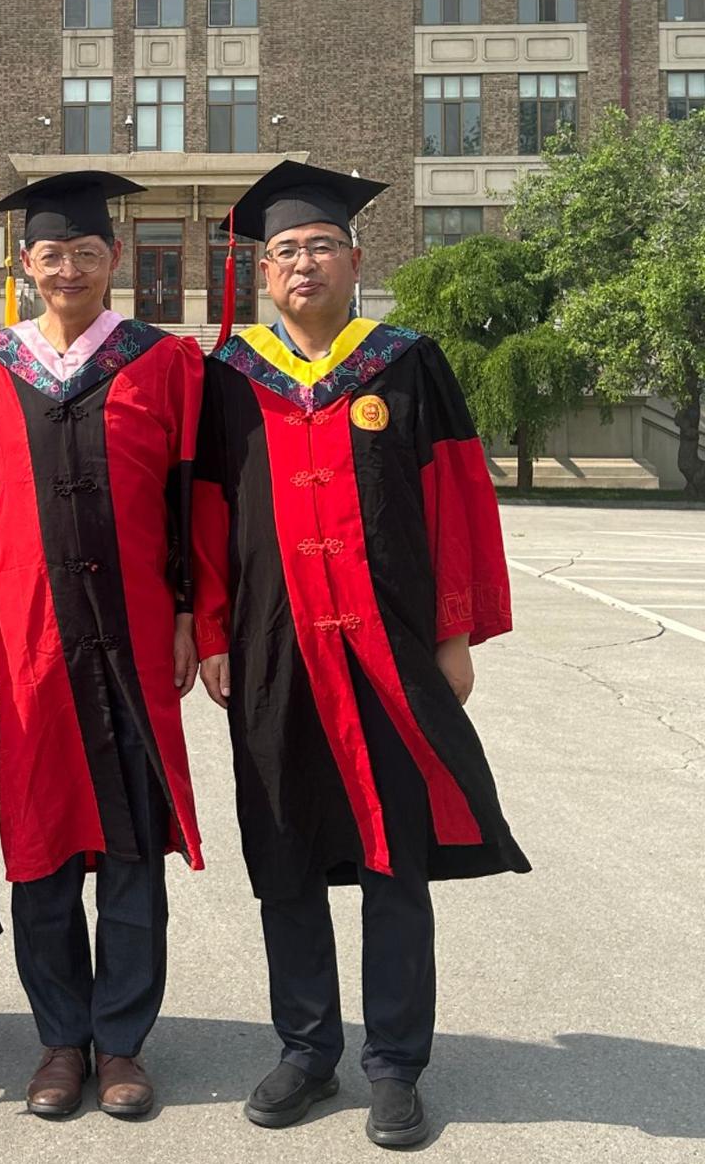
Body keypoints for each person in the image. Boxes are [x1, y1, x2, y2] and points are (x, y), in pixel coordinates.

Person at [193, 162, 529, 1150]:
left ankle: (394, 1063)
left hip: (389, 650)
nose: (301, 263)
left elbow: (456, 498)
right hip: (272, 649)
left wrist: (453, 634)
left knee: (395, 858)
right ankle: (305, 1049)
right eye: (283, 251)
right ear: (262, 272)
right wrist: (209, 632)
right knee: (284, 850)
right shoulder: (229, 377)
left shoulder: (406, 363)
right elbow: (203, 516)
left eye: (318, 246)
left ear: (354, 256)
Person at [0, 171, 203, 1121]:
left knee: (133, 844)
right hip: (30, 636)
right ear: (26, 264)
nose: (69, 268)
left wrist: (188, 615)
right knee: (42, 836)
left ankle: (123, 1044)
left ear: (114, 260)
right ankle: (61, 1040)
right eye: (52, 254)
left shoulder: (164, 363)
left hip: (134, 633)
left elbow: (188, 501)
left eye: (86, 253)